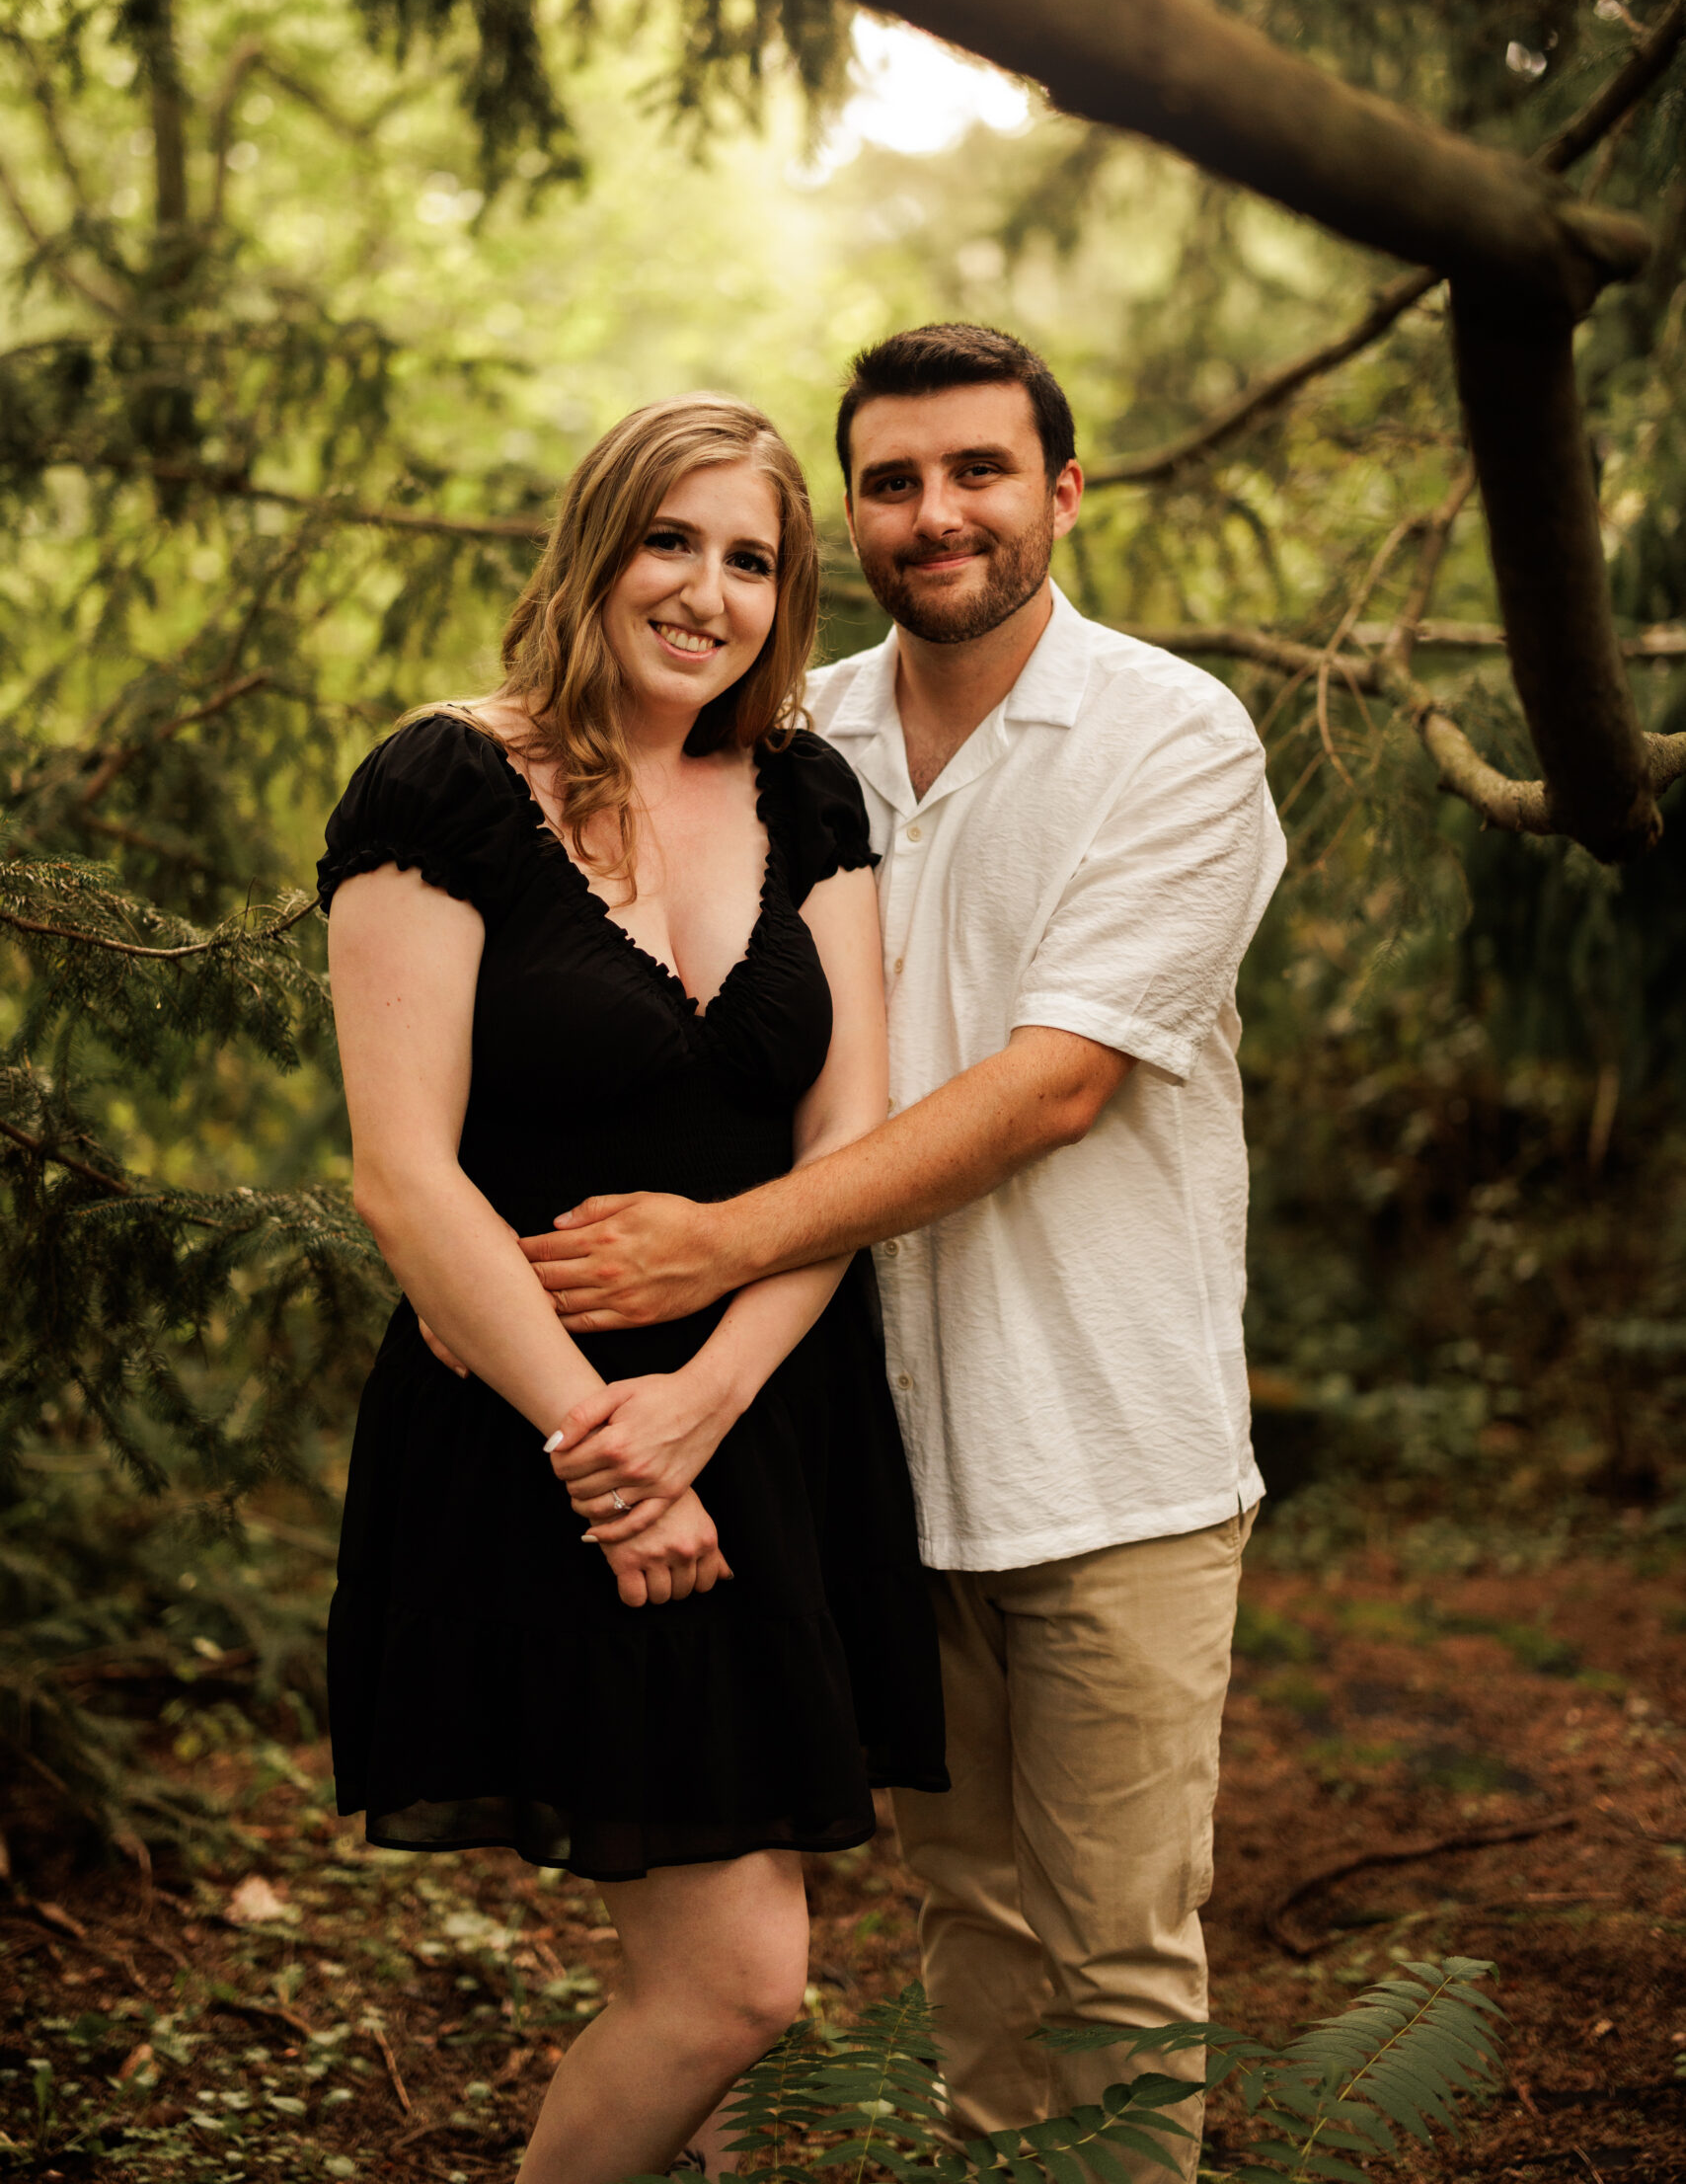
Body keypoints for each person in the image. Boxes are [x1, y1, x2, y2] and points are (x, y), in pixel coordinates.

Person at [508, 325, 1287, 2173]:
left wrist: (717, 1247)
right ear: (850, 511)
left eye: (980, 471)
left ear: (1063, 493)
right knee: (972, 1933)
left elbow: (1051, 1091)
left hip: (1112, 1460)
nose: (936, 514)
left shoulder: (1174, 738)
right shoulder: (791, 741)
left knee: (1114, 1959)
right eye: (892, 480)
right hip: (875, 1456)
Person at [318, 393, 946, 2184]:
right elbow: (402, 1170)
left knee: (722, 1935)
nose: (707, 591)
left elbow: (850, 1149)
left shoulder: (807, 791)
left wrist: (708, 1406)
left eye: (752, 559)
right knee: (737, 1984)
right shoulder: (440, 784)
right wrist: (609, 1451)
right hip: (541, 1431)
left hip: (762, 1415)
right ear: (596, 546)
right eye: (672, 540)